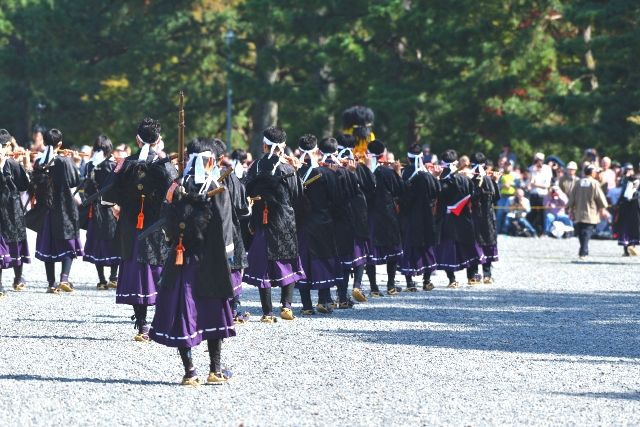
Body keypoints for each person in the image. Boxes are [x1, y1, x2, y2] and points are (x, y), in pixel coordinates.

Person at [149, 138, 236, 386]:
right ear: (210, 161)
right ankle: (214, 371)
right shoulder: (219, 189)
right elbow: (226, 232)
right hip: (211, 260)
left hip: (182, 257)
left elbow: (165, 224)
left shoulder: (176, 188)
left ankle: (190, 372)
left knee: (183, 312)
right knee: (212, 313)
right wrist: (228, 261)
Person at [103, 117, 177, 340]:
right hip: (157, 226)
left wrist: (119, 204)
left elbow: (106, 198)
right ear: (158, 140)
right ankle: (160, 323)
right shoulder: (165, 165)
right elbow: (176, 196)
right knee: (158, 270)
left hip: (130, 225)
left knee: (137, 270)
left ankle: (143, 324)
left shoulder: (125, 164)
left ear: (137, 139)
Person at [243, 127, 305, 323]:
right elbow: (298, 196)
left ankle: (267, 313)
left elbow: (246, 190)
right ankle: (286, 306)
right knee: (288, 260)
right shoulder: (288, 169)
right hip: (285, 219)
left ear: (264, 145)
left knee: (264, 265)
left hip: (262, 218)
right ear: (283, 146)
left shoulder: (256, 166)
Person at [28, 128, 83, 294]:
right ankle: (64, 278)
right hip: (64, 207)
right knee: (68, 242)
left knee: (48, 245)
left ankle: (51, 284)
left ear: (44, 143)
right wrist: (75, 161)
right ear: (60, 143)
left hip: (46, 209)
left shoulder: (39, 161)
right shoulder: (64, 161)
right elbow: (75, 181)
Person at [295, 136, 342, 314]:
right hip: (323, 222)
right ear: (316, 151)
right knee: (323, 259)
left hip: (301, 223)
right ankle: (323, 300)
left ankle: (306, 306)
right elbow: (337, 201)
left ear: (299, 151)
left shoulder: (294, 173)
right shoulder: (328, 174)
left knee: (304, 260)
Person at [212, 138, 251, 323]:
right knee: (233, 269)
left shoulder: (196, 177)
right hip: (231, 227)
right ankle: (234, 308)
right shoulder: (230, 176)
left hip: (208, 229)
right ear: (222, 157)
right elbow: (241, 206)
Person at [434, 149, 483, 288]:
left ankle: (452, 279)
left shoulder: (442, 180)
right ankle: (471, 276)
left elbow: (436, 195)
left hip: (447, 218)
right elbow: (473, 197)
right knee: (467, 246)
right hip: (463, 218)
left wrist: (436, 178)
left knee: (450, 248)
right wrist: (476, 183)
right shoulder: (464, 179)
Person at [335, 133, 372, 304]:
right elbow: (371, 187)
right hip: (359, 216)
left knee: (343, 258)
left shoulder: (333, 167)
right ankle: (357, 285)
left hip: (340, 217)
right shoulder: (360, 166)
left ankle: (342, 297)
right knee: (359, 254)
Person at [398, 143, 440, 291]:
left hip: (409, 215)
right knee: (426, 245)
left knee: (409, 246)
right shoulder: (427, 175)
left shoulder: (404, 173)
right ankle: (426, 280)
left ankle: (409, 282)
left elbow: (401, 195)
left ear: (408, 158)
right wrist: (435, 177)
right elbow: (436, 193)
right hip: (426, 215)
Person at [365, 140, 404, 296]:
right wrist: (398, 172)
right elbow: (400, 190)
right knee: (392, 250)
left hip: (369, 215)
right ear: (383, 154)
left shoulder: (363, 171)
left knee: (371, 252)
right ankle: (391, 285)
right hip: (387, 214)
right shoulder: (387, 172)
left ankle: (374, 287)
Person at [81, 135, 120, 290]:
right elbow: (117, 189)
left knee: (97, 242)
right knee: (114, 241)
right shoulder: (113, 166)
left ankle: (102, 280)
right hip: (111, 208)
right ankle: (113, 277)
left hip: (95, 208)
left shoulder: (90, 166)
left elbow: (87, 190)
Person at [0, 130, 31, 297]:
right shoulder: (11, 163)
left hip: (11, 209)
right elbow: (23, 186)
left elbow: (23, 186)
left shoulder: (12, 163)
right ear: (6, 146)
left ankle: (16, 278)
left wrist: (23, 164)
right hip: (7, 209)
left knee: (14, 241)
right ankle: (10, 281)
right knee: (9, 242)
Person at [467, 153, 500, 284]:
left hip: (474, 217)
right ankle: (487, 275)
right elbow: (496, 198)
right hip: (486, 217)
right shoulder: (485, 179)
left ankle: (474, 275)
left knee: (476, 245)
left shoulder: (469, 179)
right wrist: (495, 182)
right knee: (485, 243)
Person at [566, 164, 609, 259]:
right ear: (592, 172)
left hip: (578, 213)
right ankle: (583, 252)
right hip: (591, 213)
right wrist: (603, 208)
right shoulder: (594, 183)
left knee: (582, 232)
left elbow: (572, 197)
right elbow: (600, 198)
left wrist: (569, 208)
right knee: (586, 233)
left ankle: (583, 250)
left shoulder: (578, 182)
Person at [613, 164, 639, 256]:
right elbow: (623, 195)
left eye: (630, 169)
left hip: (633, 208)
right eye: (627, 169)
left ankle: (630, 248)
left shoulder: (630, 180)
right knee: (627, 228)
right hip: (628, 208)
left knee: (630, 228)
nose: (629, 171)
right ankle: (628, 248)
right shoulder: (625, 181)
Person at [528, 152, 552, 235]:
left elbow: (547, 185)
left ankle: (543, 232)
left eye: (540, 160)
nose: (538, 162)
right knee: (533, 213)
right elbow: (530, 183)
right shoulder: (531, 168)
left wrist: (535, 184)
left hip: (543, 195)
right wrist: (533, 172)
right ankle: (532, 231)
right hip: (533, 194)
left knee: (543, 214)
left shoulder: (547, 169)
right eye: (537, 160)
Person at [496, 160, 516, 234]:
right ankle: (497, 231)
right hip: (502, 197)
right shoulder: (501, 175)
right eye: (506, 165)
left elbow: (519, 185)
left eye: (509, 165)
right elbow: (496, 185)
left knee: (510, 215)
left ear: (511, 166)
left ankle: (507, 231)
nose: (507, 167)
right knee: (499, 214)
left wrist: (511, 184)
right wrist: (503, 185)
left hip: (512, 198)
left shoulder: (515, 175)